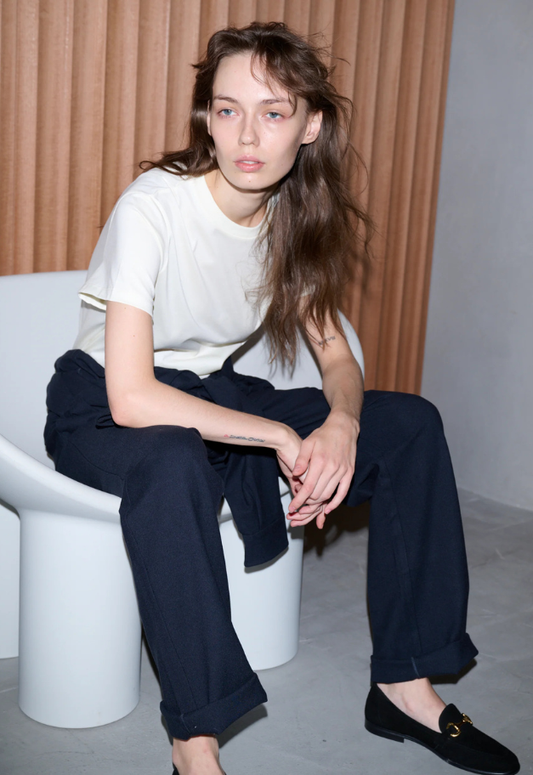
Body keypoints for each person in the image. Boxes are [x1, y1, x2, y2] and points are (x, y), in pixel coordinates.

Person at [44, 21, 519, 775]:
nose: (247, 135)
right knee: (172, 457)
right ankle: (194, 743)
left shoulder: (290, 218)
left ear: (310, 125)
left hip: (208, 396)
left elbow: (337, 355)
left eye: (273, 112)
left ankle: (404, 686)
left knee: (409, 425)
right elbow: (132, 397)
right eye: (227, 109)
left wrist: (341, 422)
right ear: (206, 118)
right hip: (101, 406)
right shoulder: (153, 208)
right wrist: (275, 435)